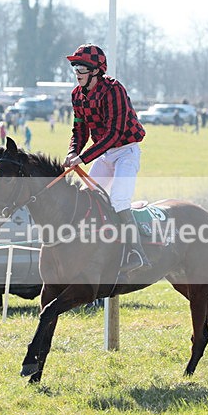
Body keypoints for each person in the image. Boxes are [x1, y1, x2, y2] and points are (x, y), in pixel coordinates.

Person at [63, 43, 150, 272]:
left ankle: (136, 253)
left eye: (81, 69)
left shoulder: (114, 90)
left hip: (126, 150)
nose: (77, 75)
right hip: (104, 152)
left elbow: (114, 133)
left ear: (95, 70)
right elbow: (79, 130)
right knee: (88, 197)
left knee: (119, 200)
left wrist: (83, 158)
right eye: (75, 69)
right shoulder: (77, 95)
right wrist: (73, 152)